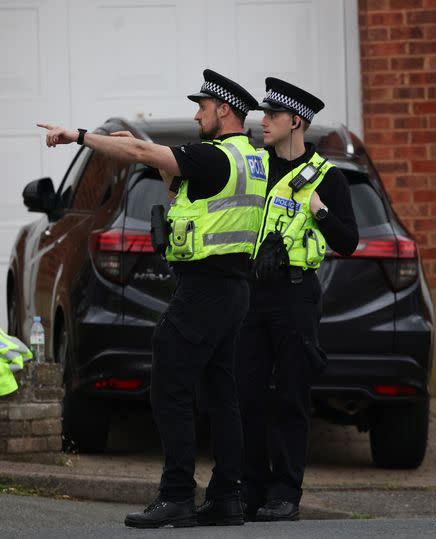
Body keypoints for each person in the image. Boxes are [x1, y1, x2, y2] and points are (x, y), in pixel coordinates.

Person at [37, 69, 268, 529]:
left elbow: (141, 150)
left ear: (223, 110)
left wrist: (80, 136)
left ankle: (177, 494)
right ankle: (226, 498)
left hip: (204, 291)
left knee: (170, 385)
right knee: (221, 394)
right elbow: (184, 196)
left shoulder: (213, 155)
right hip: (232, 290)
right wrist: (160, 164)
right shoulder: (250, 159)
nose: (196, 114)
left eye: (201, 107)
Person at [237, 78, 359, 522]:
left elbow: (348, 242)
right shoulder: (253, 167)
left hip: (295, 295)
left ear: (296, 122)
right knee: (246, 394)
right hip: (251, 293)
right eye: (263, 114)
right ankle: (250, 489)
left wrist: (320, 211)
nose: (262, 121)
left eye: (271, 115)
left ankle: (285, 492)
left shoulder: (328, 178)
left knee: (291, 394)